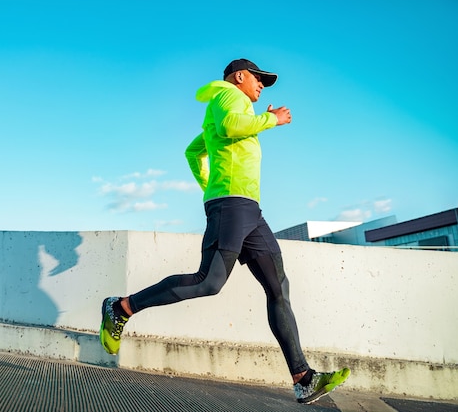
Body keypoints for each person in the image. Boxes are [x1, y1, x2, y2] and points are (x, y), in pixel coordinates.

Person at [99, 58, 350, 404]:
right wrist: (271, 120)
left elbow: (193, 151)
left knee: (278, 288)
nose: (261, 85)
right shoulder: (229, 97)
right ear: (240, 76)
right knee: (209, 282)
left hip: (248, 208)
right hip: (231, 205)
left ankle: (303, 377)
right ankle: (121, 308)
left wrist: (209, 183)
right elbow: (233, 126)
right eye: (259, 79)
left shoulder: (232, 106)